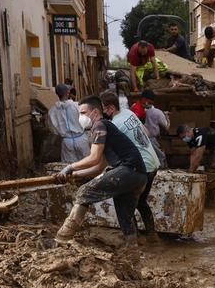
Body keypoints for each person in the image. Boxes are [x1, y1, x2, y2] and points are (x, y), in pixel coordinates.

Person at [54, 94, 149, 248]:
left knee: (84, 192)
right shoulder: (106, 127)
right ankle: (132, 249)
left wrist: (71, 167)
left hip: (128, 170)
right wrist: (75, 175)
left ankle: (63, 237)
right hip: (138, 175)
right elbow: (100, 166)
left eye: (83, 113)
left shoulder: (100, 125)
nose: (81, 117)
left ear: (95, 112)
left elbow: (94, 158)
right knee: (124, 214)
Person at [107, 91, 162, 242]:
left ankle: (133, 239)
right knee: (141, 201)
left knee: (126, 202)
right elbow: (147, 132)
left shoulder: (114, 125)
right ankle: (151, 235)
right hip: (153, 162)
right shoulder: (128, 112)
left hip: (141, 166)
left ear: (110, 108)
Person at [47, 83, 90, 163]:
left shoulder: (52, 111)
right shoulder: (78, 106)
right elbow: (87, 121)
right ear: (68, 93)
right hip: (81, 139)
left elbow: (53, 129)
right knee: (87, 164)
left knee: (70, 167)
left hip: (67, 142)